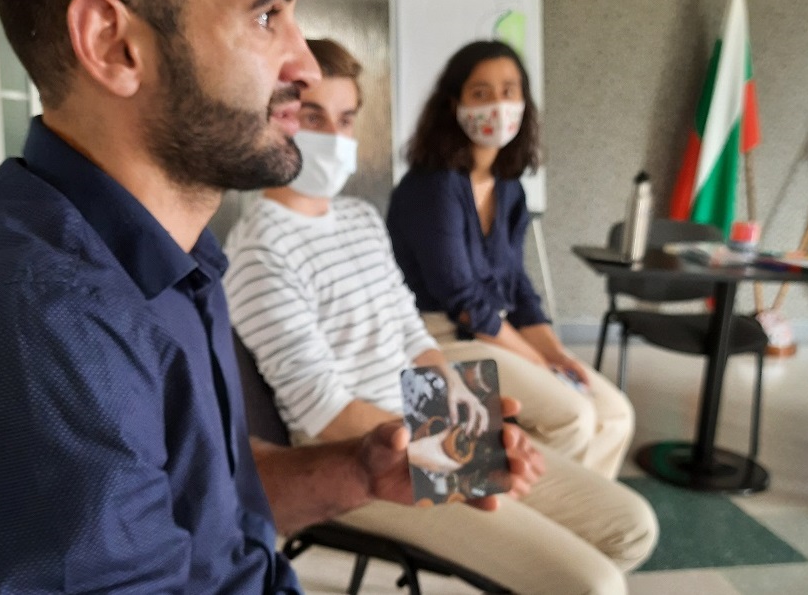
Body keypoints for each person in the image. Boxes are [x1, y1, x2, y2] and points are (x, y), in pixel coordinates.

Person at [0, 0, 540, 594]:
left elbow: (211, 505)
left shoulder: (178, 252)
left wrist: (360, 468)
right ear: (114, 44)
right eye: (266, 14)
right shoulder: (57, 322)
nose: (305, 64)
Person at [224, 37, 658, 595]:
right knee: (596, 584)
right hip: (360, 459)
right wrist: (469, 450)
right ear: (277, 119)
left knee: (631, 528)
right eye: (313, 117)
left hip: (427, 426)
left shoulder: (359, 218)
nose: (334, 139)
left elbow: (412, 335)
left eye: (347, 119)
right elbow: (326, 413)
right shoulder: (260, 248)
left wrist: (476, 425)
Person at [387, 39, 635, 480]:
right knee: (573, 416)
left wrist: (557, 354)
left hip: (492, 332)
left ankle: (580, 522)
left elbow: (517, 285)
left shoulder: (508, 187)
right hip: (438, 337)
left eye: (509, 91)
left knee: (616, 414)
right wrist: (536, 361)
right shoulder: (432, 187)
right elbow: (462, 299)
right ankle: (544, 513)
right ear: (454, 104)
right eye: (481, 93)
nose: (498, 106)